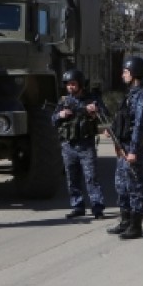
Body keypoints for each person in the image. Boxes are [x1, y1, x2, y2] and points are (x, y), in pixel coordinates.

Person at [106, 57, 143, 239]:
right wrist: (112, 130)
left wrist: (134, 150)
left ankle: (136, 226)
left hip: (132, 146)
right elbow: (124, 118)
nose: (123, 75)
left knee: (135, 186)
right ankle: (125, 220)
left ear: (134, 73)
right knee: (121, 185)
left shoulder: (142, 95)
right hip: (123, 145)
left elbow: (140, 125)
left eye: (125, 72)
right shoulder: (131, 93)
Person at [51, 69, 108, 220]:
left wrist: (94, 110)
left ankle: (97, 207)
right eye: (68, 84)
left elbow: (104, 114)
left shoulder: (91, 99)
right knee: (72, 178)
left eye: (73, 84)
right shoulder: (64, 101)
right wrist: (60, 115)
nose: (70, 87)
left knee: (91, 177)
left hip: (85, 144)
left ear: (80, 84)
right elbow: (52, 120)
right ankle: (77, 206)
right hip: (68, 145)